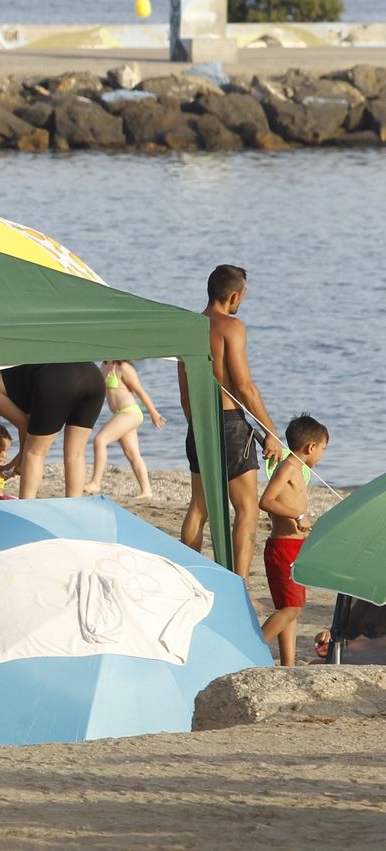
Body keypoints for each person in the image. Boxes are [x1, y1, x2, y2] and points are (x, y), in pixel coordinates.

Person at [178, 265, 282, 581]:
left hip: (199, 422)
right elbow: (244, 386)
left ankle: (188, 574)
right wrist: (271, 431)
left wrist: (196, 424)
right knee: (247, 509)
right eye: (243, 296)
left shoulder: (188, 327)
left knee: (200, 506)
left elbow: (185, 391)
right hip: (231, 424)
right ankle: (239, 582)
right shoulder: (232, 327)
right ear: (233, 294)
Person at [0, 361, 105, 499]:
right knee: (75, 454)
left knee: (34, 454)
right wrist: (15, 463)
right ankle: (75, 508)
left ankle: (26, 508)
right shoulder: (14, 381)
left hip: (59, 378)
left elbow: (25, 427)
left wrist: (20, 462)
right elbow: (30, 429)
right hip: (93, 374)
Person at [259, 414, 328, 667]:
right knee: (292, 609)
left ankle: (288, 664)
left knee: (290, 609)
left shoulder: (298, 469)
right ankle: (254, 645)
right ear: (311, 447)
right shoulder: (287, 468)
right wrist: (297, 515)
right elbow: (265, 501)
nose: (321, 456)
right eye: (322, 450)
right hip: (283, 547)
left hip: (295, 546)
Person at [83, 360, 166, 498]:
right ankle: (146, 491)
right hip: (119, 414)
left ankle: (96, 483)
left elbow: (140, 391)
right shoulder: (104, 366)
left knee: (100, 441)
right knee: (132, 454)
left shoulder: (124, 368)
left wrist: (153, 413)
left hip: (130, 413)